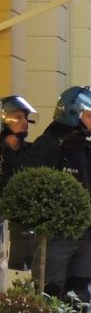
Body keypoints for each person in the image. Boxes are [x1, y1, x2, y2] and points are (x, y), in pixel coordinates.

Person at [26, 86, 91, 301]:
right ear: (74, 114)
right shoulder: (48, 146)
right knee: (50, 293)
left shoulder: (87, 148)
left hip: (87, 233)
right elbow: (33, 189)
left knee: (80, 294)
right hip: (57, 235)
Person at [0, 96, 37, 271]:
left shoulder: (33, 152)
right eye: (17, 117)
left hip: (26, 225)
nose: (24, 121)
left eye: (25, 117)